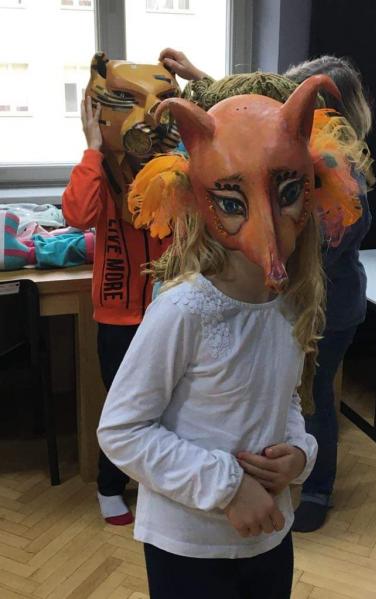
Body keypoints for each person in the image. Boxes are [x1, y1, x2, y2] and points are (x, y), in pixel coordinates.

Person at [97, 69, 366, 597]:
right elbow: (123, 430)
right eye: (233, 201)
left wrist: (299, 452)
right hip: (189, 546)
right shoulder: (183, 312)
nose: (269, 229)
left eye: (287, 194)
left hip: (268, 536)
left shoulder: (288, 302)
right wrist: (227, 487)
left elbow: (284, 399)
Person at [62, 52, 179, 525]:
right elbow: (77, 214)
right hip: (119, 315)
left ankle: (158, 481)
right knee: (123, 405)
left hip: (169, 310)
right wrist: (93, 149)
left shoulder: (170, 169)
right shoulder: (101, 173)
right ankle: (110, 486)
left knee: (168, 403)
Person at [284, 55, 374, 532]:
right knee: (296, 394)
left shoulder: (342, 172)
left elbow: (321, 253)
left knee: (314, 397)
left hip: (330, 311)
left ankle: (317, 491)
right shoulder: (312, 158)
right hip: (309, 306)